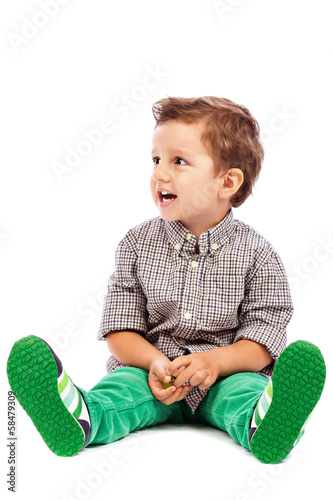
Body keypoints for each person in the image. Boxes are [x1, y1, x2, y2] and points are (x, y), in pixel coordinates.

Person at [6, 96, 326, 464]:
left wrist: (217, 363)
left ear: (227, 181)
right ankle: (82, 418)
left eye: (179, 161)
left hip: (225, 376)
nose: (159, 174)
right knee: (120, 392)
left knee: (244, 393)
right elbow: (119, 330)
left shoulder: (259, 255)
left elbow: (264, 340)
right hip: (151, 373)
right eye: (156, 160)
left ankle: (267, 424)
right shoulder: (136, 244)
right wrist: (154, 361)